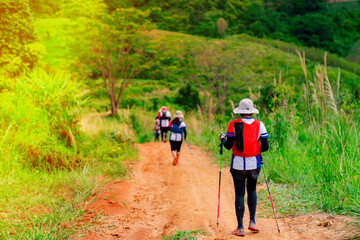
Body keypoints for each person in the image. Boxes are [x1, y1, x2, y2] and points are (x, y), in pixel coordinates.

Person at [218, 98, 269, 237]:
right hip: (254, 163)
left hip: (238, 164)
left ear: (240, 112)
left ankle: (240, 227)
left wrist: (222, 139)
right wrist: (256, 151)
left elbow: (228, 146)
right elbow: (265, 147)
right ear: (252, 111)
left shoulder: (233, 124)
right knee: (252, 190)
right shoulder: (260, 125)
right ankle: (252, 222)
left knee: (239, 193)